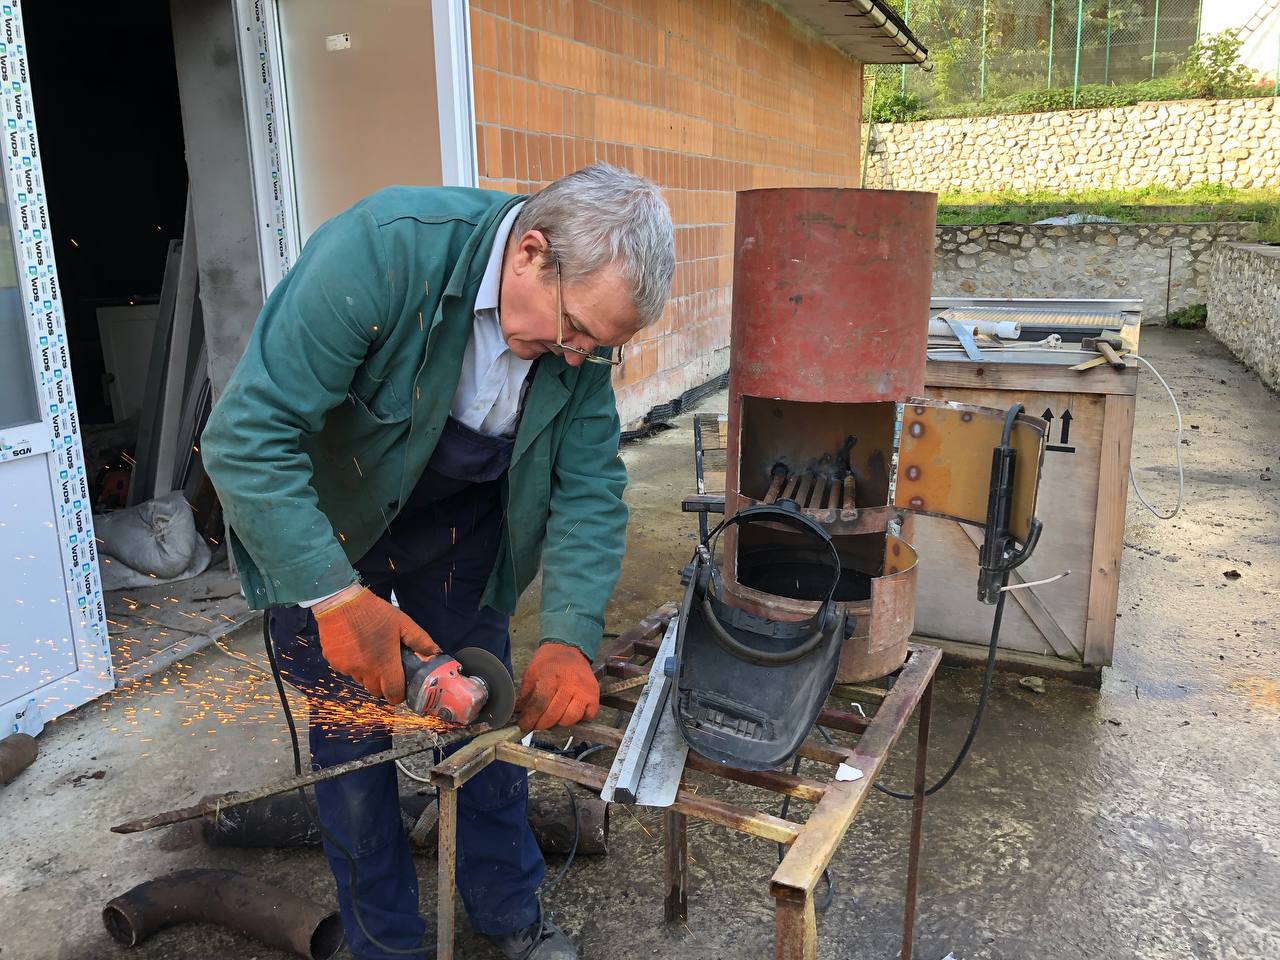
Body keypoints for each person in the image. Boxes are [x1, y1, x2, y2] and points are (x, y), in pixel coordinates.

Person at [202, 163, 675, 960]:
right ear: (530, 253)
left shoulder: (578, 343)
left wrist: (569, 636)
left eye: (599, 348)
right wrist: (332, 597)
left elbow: (590, 487)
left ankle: (508, 913)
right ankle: (385, 945)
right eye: (574, 331)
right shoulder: (383, 255)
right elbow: (244, 441)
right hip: (327, 525)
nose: (576, 357)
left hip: (458, 521)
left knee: (485, 716)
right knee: (351, 750)